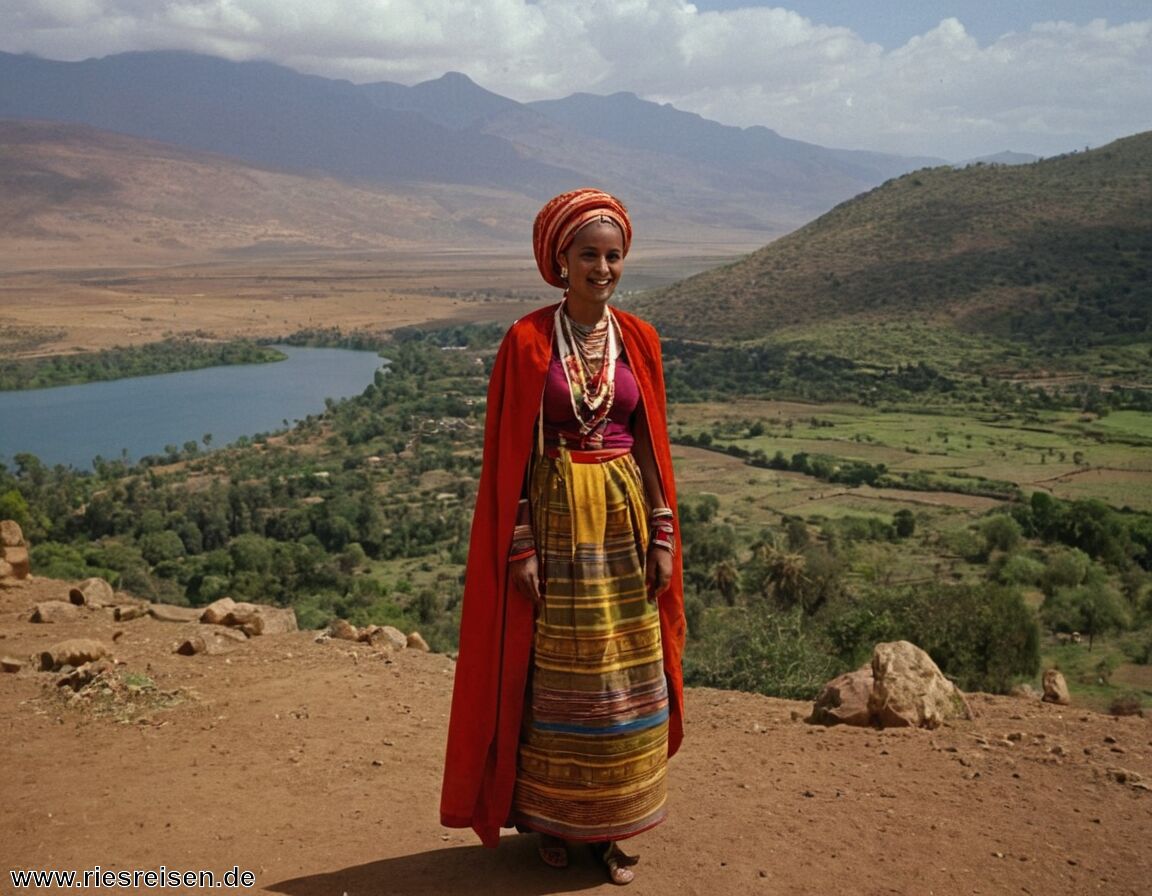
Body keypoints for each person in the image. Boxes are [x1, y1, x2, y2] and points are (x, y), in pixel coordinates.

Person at [439, 188, 686, 885]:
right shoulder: (525, 342)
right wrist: (518, 542)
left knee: (624, 677)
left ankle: (610, 828)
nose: (602, 268)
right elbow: (511, 451)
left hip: (624, 523)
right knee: (553, 674)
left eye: (613, 255)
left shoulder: (639, 339)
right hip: (552, 523)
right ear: (561, 260)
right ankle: (549, 821)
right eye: (588, 255)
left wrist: (663, 533)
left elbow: (651, 444)